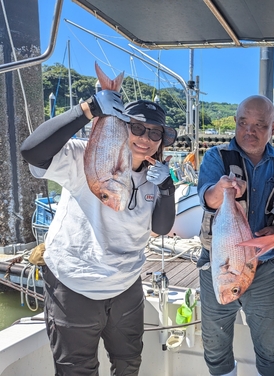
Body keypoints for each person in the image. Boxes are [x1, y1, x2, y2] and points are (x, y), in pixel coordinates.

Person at [20, 91, 177, 375]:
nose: (145, 138)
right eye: (137, 127)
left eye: (155, 133)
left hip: (127, 286)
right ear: (122, 125)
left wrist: (167, 188)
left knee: (129, 363)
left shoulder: (157, 175)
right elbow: (32, 152)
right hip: (74, 285)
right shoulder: (86, 153)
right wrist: (87, 109)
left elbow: (162, 228)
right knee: (76, 370)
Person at [196, 95, 274, 376]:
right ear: (236, 124)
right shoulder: (217, 156)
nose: (249, 131)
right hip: (218, 264)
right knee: (214, 341)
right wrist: (222, 190)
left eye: (259, 125)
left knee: (270, 344)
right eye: (243, 123)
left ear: (273, 128)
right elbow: (207, 196)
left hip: (264, 268)